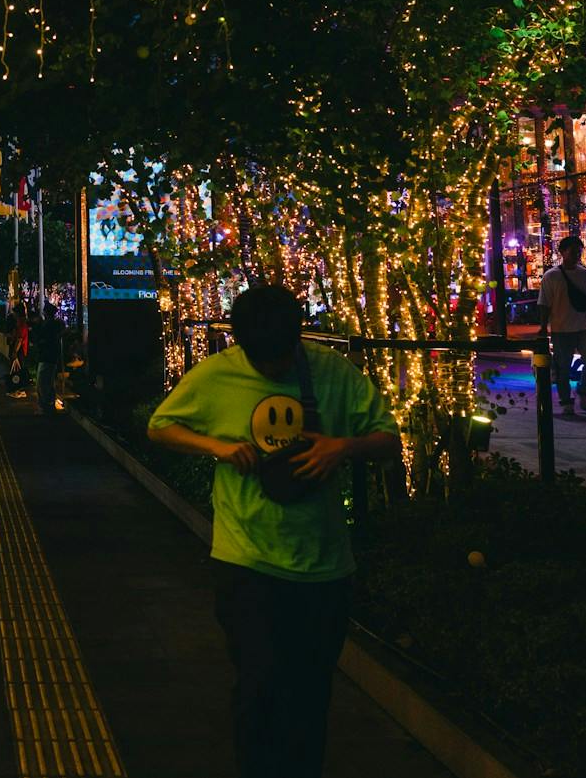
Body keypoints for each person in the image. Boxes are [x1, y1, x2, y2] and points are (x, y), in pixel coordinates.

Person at [145, 285, 400, 778]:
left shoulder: (333, 371)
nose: (275, 369)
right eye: (263, 362)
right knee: (259, 688)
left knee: (311, 694)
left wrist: (341, 448)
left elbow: (388, 439)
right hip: (248, 563)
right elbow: (160, 427)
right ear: (241, 345)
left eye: (283, 358)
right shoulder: (218, 374)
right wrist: (215, 446)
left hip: (324, 565)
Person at [537, 235, 586, 415]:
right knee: (562, 367)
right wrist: (543, 326)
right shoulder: (551, 276)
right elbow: (544, 304)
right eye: (572, 251)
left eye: (578, 251)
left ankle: (582, 390)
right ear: (562, 252)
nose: (576, 254)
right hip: (561, 329)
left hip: (585, 327)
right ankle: (566, 400)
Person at [31, 311, 64, 413]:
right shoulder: (53, 329)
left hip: (45, 359)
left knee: (42, 383)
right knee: (48, 382)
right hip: (51, 359)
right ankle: (49, 405)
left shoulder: (47, 327)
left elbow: (39, 340)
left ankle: (45, 406)